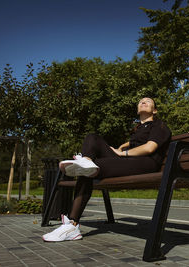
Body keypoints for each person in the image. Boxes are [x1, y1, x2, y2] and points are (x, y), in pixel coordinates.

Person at [43, 97, 172, 242]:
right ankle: (86, 161)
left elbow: (150, 147)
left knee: (90, 170)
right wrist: (122, 146)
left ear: (154, 110)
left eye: (148, 101)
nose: (143, 102)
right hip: (129, 161)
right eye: (141, 101)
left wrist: (122, 152)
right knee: (92, 139)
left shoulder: (159, 125)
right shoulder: (138, 128)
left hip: (146, 164)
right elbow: (135, 142)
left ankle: (72, 224)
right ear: (137, 110)